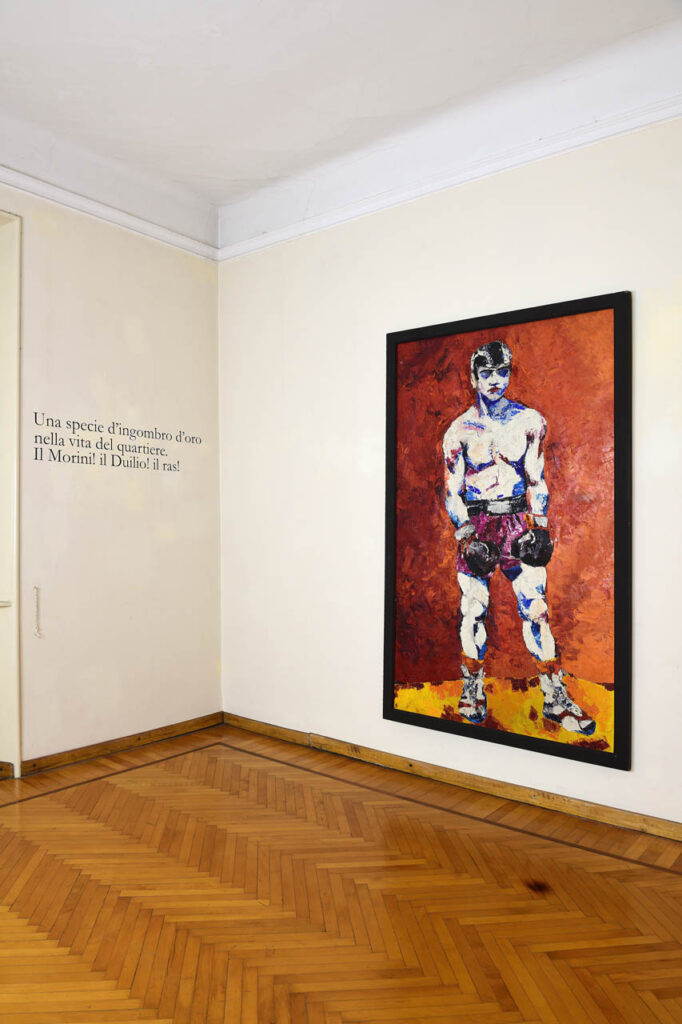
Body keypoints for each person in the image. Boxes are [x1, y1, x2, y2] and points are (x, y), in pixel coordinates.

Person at [442, 340, 595, 735]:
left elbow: (536, 478)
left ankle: (554, 696)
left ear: (509, 373)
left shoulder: (529, 421)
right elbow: (452, 491)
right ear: (474, 378)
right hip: (477, 524)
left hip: (517, 521)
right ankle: (472, 688)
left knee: (536, 608)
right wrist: (466, 535)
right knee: (473, 608)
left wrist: (539, 526)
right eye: (487, 373)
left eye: (502, 372)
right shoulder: (458, 431)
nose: (495, 380)